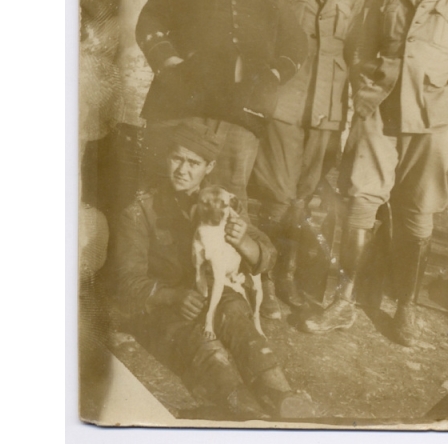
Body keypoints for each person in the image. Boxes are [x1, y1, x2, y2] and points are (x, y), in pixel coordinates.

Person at [303, 0, 448, 346]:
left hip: (432, 123)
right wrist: (364, 90)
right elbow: (359, 49)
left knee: (418, 211)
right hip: (379, 116)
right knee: (360, 204)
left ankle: (406, 309)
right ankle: (345, 300)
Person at [110, 120, 316, 420]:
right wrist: (171, 296)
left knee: (237, 318)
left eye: (193, 163)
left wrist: (243, 242)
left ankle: (282, 396)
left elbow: (267, 254)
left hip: (212, 293)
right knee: (206, 349)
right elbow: (126, 281)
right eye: (176, 159)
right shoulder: (142, 208)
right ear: (167, 158)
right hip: (162, 307)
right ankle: (245, 411)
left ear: (209, 167)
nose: (182, 170)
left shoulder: (221, 201)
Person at [135, 0, 308, 207]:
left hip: (239, 115)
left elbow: (296, 45)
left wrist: (272, 76)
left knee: (225, 204)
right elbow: (150, 21)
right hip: (179, 104)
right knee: (159, 199)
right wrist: (170, 63)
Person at [250, 0, 366, 315]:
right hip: (284, 100)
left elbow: (354, 51)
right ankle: (262, 276)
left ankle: (286, 275)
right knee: (278, 194)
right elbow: (260, 34)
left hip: (327, 107)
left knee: (303, 197)